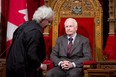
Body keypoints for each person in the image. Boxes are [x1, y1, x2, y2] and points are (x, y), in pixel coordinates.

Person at [6, 5, 54, 77]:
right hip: (24, 70)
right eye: (49, 21)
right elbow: (31, 54)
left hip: (12, 65)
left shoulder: (25, 25)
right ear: (43, 19)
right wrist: (41, 65)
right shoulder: (35, 32)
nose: (48, 24)